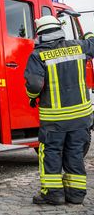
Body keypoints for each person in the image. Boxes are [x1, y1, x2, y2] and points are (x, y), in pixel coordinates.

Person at [24, 15, 94, 205]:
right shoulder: (79, 46)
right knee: (75, 153)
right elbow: (93, 42)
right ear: (59, 29)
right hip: (81, 116)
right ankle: (76, 194)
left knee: (51, 153)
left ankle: (53, 194)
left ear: (40, 34)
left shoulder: (38, 55)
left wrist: (31, 98)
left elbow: (34, 85)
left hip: (54, 119)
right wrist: (87, 33)